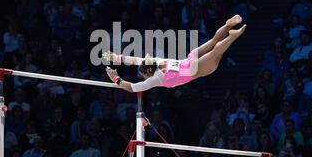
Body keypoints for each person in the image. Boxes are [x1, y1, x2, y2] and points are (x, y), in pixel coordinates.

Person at [104, 15, 246, 92]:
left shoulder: (155, 79)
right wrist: (115, 57)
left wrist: (116, 79)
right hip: (190, 58)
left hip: (193, 69)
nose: (143, 78)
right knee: (214, 41)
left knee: (216, 53)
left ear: (147, 73)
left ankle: (232, 36)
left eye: (143, 76)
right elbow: (134, 60)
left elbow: (132, 88)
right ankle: (228, 25)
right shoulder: (155, 61)